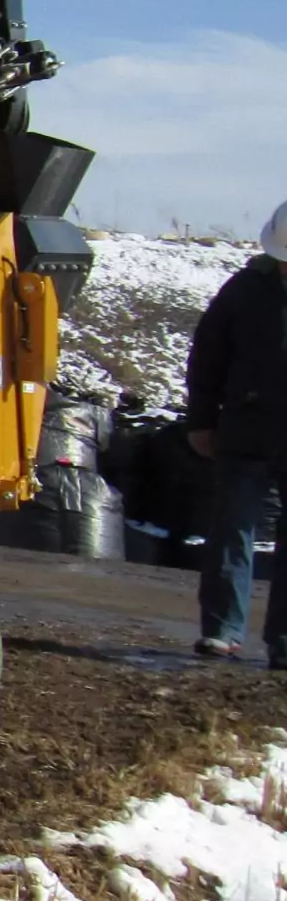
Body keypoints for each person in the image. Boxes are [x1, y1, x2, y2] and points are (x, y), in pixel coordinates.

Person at [188, 200, 287, 663]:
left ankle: (284, 641)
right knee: (232, 530)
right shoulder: (245, 290)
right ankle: (222, 629)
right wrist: (202, 420)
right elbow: (207, 356)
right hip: (248, 428)